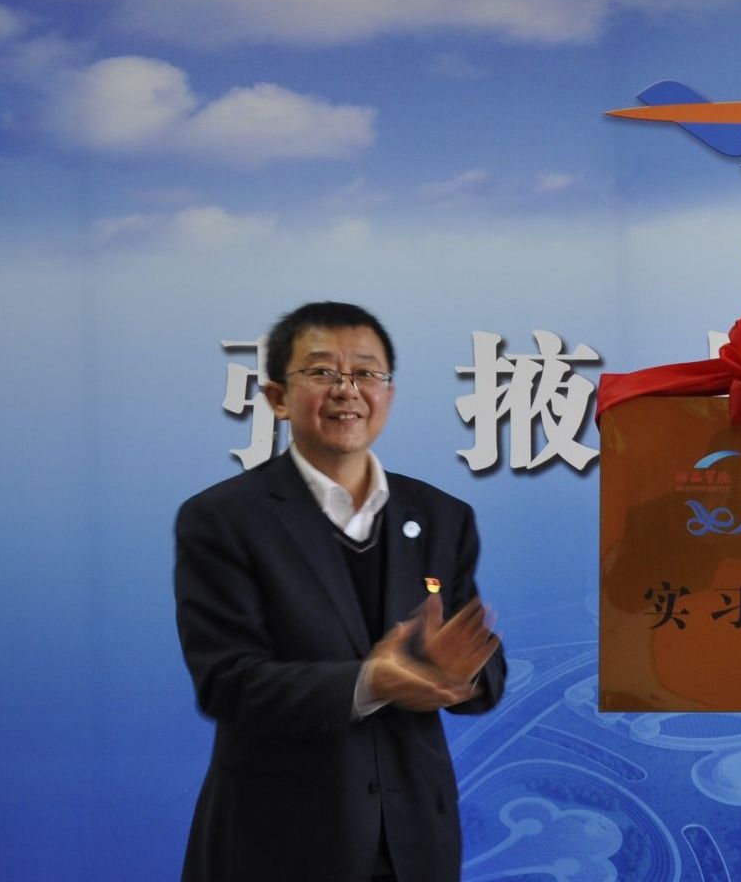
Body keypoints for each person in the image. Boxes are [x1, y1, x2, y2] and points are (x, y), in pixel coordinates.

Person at [174, 302, 506, 882]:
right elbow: (227, 682)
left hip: (413, 845)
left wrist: (459, 668)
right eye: (322, 371)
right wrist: (370, 682)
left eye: (366, 373)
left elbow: (486, 674)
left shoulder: (442, 517)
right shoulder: (222, 519)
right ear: (277, 397)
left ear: (388, 395)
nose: (346, 390)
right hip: (277, 843)